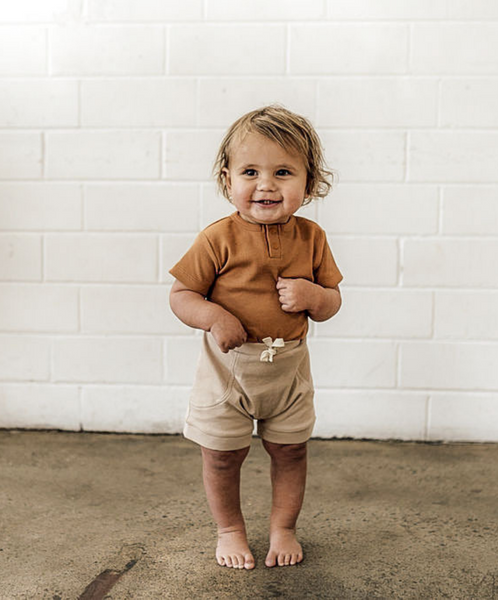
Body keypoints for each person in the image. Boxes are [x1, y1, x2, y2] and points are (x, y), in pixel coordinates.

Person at [168, 105, 343, 570]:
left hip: (288, 372)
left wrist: (312, 296)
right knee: (223, 456)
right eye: (250, 171)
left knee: (290, 451)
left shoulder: (312, 238)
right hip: (228, 373)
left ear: (308, 184)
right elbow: (182, 294)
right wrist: (213, 316)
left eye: (283, 172)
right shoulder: (217, 239)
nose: (265, 184)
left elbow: (332, 302)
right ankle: (230, 530)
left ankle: (283, 526)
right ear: (228, 180)